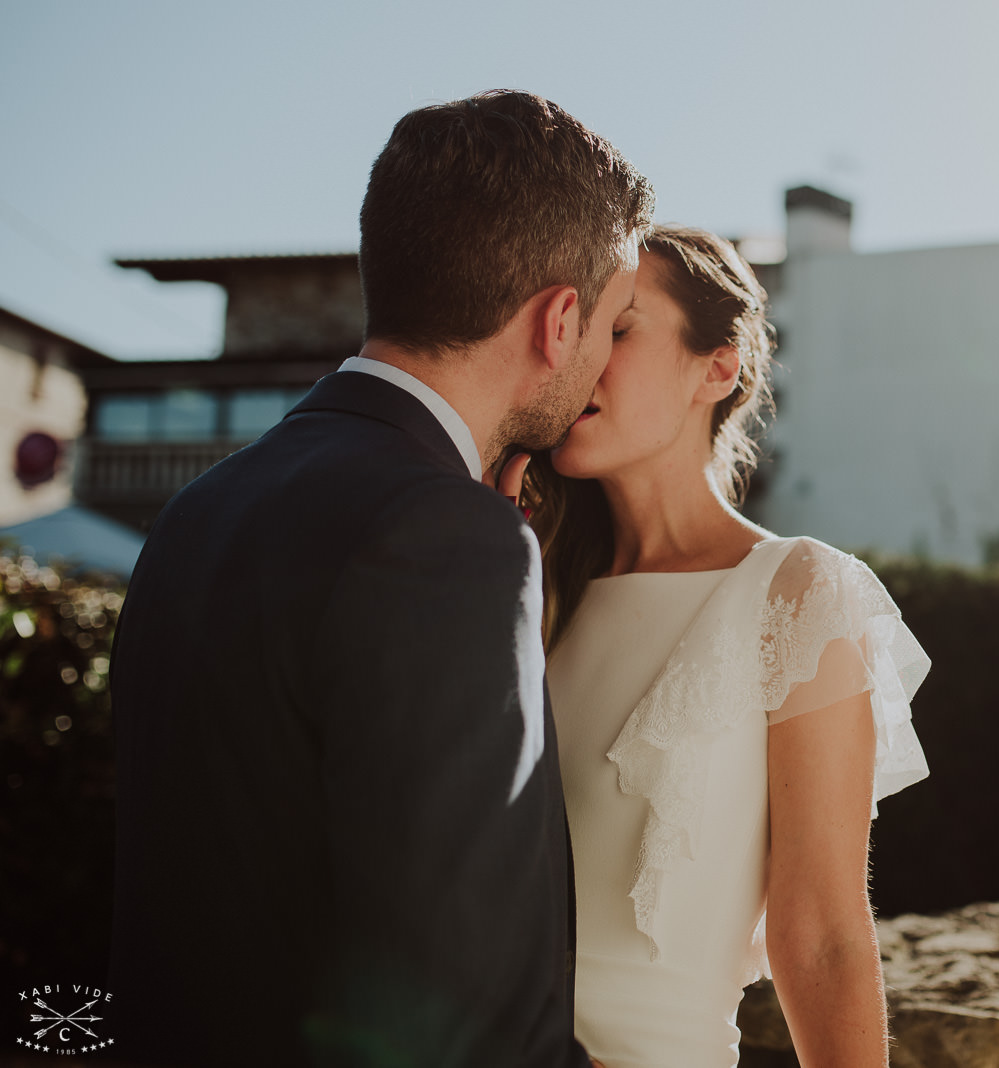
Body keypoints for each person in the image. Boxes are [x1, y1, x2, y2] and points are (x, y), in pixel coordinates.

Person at [109, 91, 652, 1067]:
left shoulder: (201, 509)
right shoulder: (448, 536)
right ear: (557, 321)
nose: (608, 363)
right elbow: (459, 998)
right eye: (614, 326)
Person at [524, 224, 931, 1067]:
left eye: (622, 329)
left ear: (719, 367)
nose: (583, 359)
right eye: (582, 328)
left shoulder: (794, 592)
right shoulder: (533, 594)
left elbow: (821, 937)